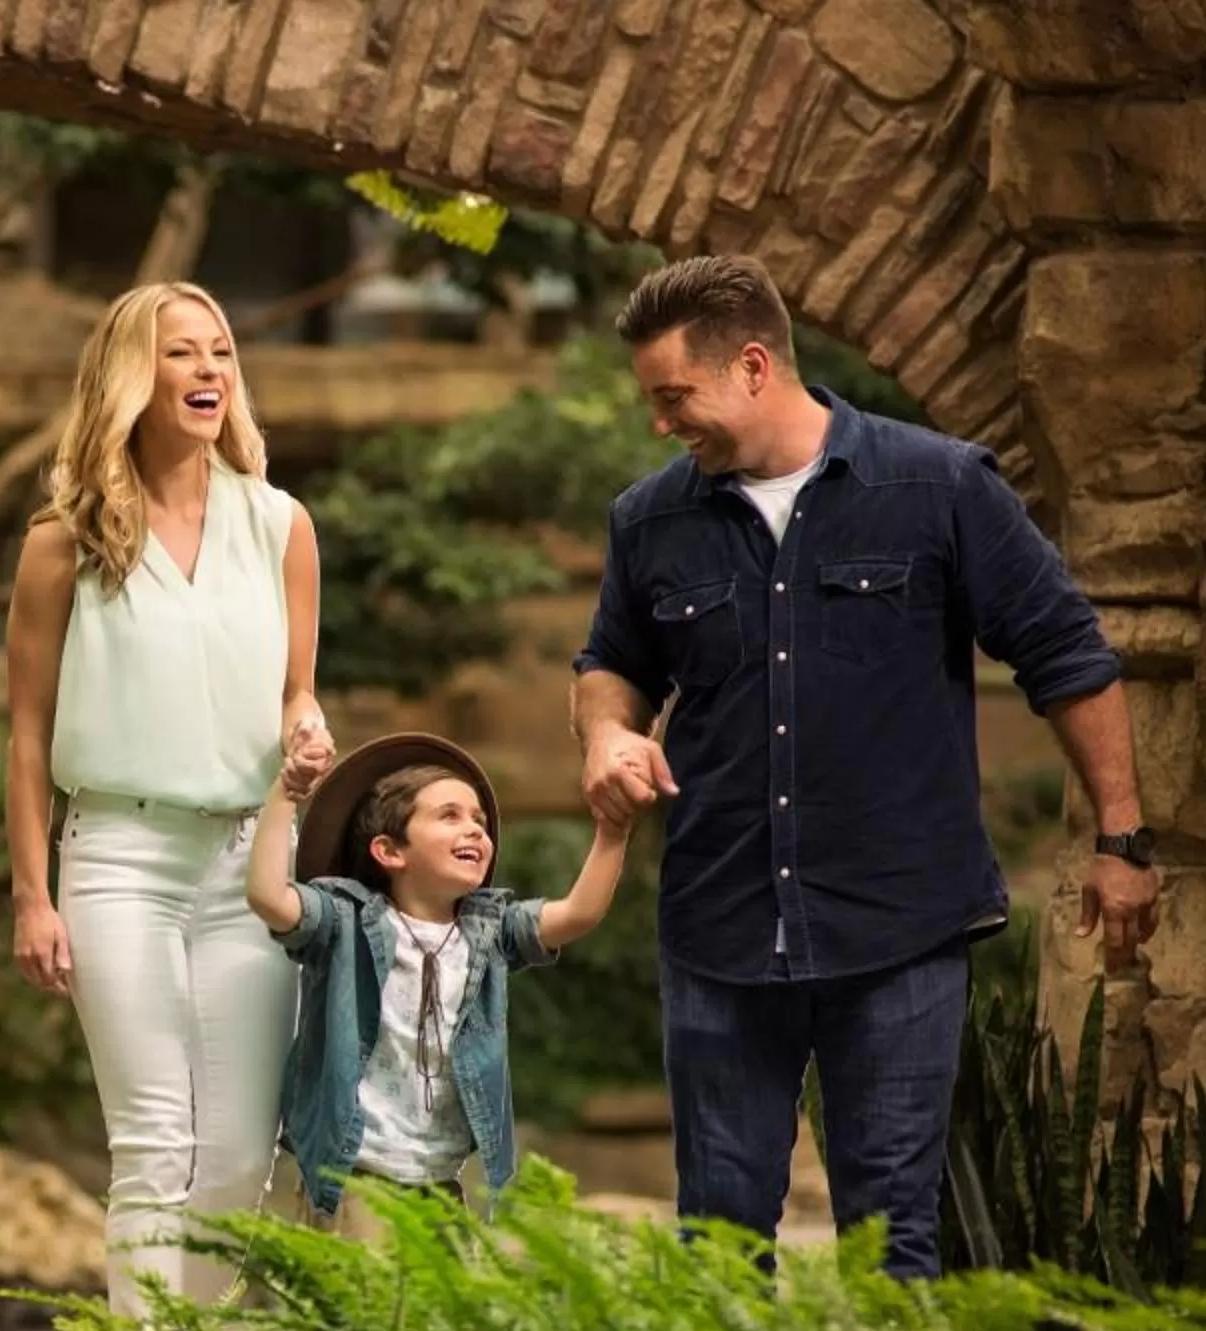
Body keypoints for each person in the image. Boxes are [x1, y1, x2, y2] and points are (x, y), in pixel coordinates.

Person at [571, 254, 1158, 1279]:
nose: (662, 424)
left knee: (894, 1242)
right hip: (720, 930)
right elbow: (612, 663)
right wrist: (608, 734)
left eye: (675, 397)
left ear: (753, 365)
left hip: (899, 927)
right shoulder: (647, 519)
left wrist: (1121, 836)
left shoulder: (938, 486)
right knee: (716, 1247)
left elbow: (1069, 655)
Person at [4, 280, 338, 1315]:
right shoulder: (64, 542)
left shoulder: (280, 524)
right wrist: (30, 894)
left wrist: (308, 730)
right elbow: (23, 730)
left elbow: (294, 690)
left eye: (221, 352)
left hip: (251, 862)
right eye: (181, 353)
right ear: (130, 378)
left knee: (239, 1155)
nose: (207, 371)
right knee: (153, 1138)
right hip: (115, 858)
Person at [246, 731, 630, 1222]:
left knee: (441, 1299)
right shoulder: (345, 921)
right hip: (355, 1177)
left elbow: (576, 915)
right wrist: (285, 794)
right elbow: (269, 897)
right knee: (359, 1300)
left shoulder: (488, 932)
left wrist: (612, 833)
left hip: (440, 1183)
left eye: (480, 821)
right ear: (389, 851)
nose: (475, 830)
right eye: (449, 816)